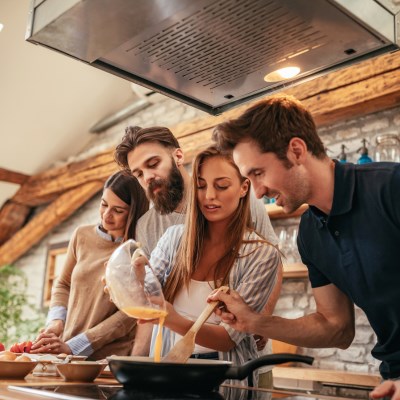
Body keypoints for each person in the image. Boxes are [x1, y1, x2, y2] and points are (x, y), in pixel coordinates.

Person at [209, 94, 400, 383]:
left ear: (296, 150)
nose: (257, 192)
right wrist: (255, 322)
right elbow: (337, 327)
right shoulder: (310, 233)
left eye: (258, 173)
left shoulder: (391, 187)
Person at [114, 125, 282, 356]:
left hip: (237, 351)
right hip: (174, 354)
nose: (148, 177)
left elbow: (272, 262)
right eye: (139, 174)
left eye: (153, 164)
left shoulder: (238, 200)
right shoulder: (149, 226)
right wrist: (137, 361)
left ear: (178, 156)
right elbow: (153, 297)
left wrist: (260, 320)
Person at [136, 146, 280, 389]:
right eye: (201, 186)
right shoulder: (173, 239)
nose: (209, 196)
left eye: (221, 186)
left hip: (227, 384)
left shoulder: (262, 254)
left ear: (244, 188)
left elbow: (228, 339)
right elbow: (147, 295)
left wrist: (170, 318)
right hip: (170, 377)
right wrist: (134, 276)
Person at [31, 171, 149, 360]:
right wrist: (56, 321)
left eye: (118, 211)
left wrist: (75, 346)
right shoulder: (81, 235)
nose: (106, 215)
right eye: (104, 204)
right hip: (66, 352)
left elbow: (130, 314)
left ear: (134, 212)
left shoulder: (140, 250)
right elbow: (63, 284)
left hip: (110, 359)